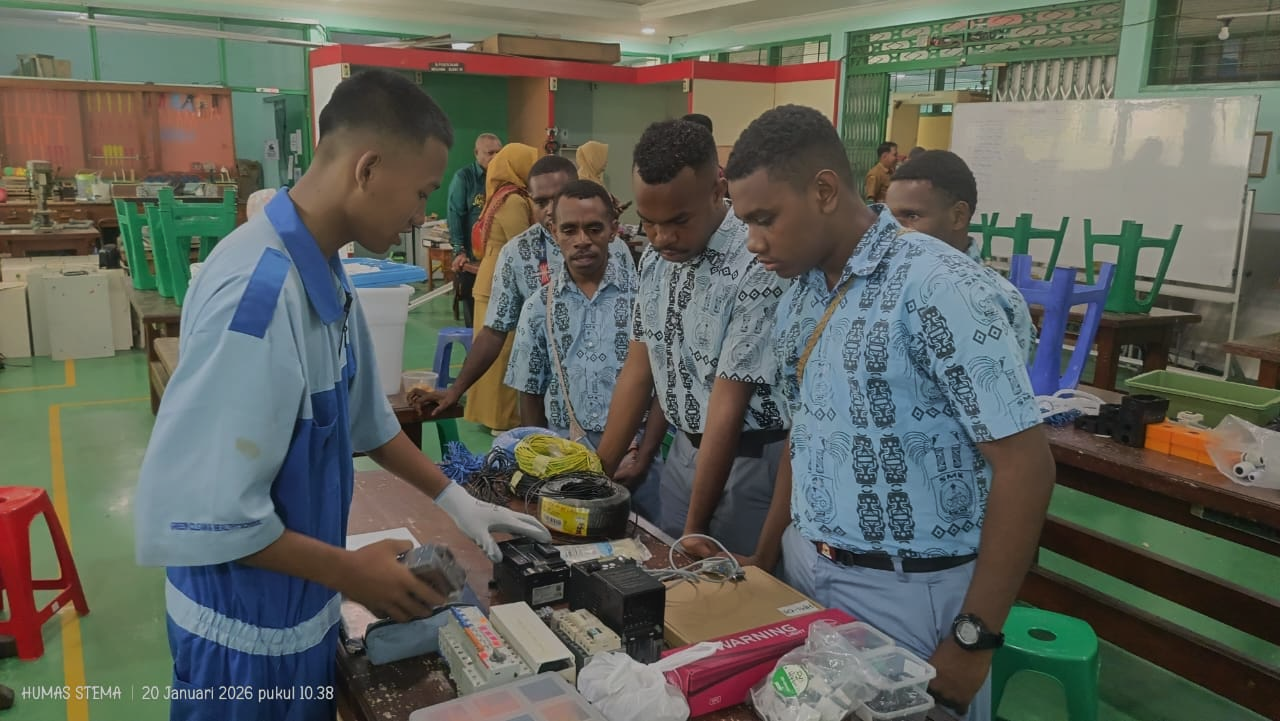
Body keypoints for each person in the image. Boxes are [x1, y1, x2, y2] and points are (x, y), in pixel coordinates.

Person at [133, 69, 549, 721]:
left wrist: (456, 499)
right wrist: (352, 571)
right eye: (419, 192)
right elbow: (209, 511)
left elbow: (365, 421)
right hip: (243, 642)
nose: (422, 214)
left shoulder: (326, 272)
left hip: (301, 611)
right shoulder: (260, 298)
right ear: (368, 168)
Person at [725, 105, 1055, 721]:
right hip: (808, 570)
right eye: (745, 222)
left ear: (824, 190)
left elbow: (1025, 469)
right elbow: (807, 431)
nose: (754, 242)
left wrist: (972, 639)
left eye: (765, 218)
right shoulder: (800, 294)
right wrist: (768, 554)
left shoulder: (943, 288)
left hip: (911, 591)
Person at [596, 119, 790, 558]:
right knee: (671, 579)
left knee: (732, 596)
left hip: (749, 463)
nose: (662, 237)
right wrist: (595, 478)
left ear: (716, 188)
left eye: (679, 221)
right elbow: (639, 369)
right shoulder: (657, 262)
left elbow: (728, 404)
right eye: (648, 223)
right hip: (684, 453)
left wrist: (695, 527)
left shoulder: (756, 262)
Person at [416, 157, 632, 424]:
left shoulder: (615, 249)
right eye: (541, 202)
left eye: (559, 197)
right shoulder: (518, 254)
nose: (551, 209)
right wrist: (456, 389)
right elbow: (495, 329)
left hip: (616, 403)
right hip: (555, 407)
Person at [504, 180, 665, 522]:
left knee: (649, 549)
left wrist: (645, 455)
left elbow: (664, 388)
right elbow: (529, 392)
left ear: (613, 230)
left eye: (594, 228)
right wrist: (542, 460)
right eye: (569, 229)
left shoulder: (644, 302)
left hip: (636, 461)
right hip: (565, 463)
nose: (582, 240)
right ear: (553, 231)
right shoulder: (538, 307)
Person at [885, 149, 1036, 360]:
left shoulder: (995, 301)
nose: (895, 230)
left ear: (958, 216)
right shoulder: (879, 286)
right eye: (889, 217)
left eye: (911, 216)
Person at [468, 142, 541, 433]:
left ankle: (492, 415)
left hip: (490, 277)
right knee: (503, 353)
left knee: (495, 351)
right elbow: (524, 244)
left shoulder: (501, 194)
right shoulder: (512, 200)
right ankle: (502, 419)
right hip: (502, 280)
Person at [447, 133, 503, 327]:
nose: (495, 157)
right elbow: (455, 215)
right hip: (471, 260)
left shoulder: (504, 178)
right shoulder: (464, 178)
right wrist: (459, 250)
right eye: (489, 153)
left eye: (498, 152)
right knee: (474, 316)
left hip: (497, 259)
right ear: (476, 153)